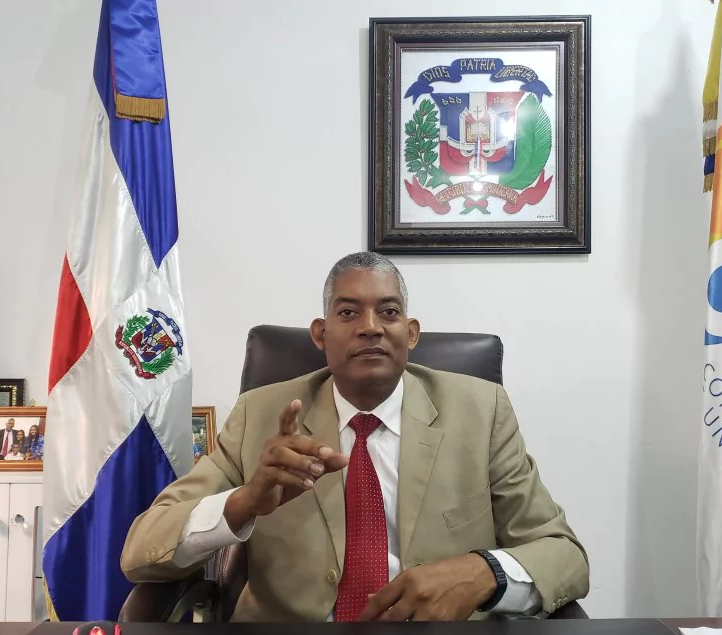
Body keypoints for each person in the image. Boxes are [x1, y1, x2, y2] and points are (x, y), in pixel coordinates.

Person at [122, 252, 589, 622]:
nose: (370, 327)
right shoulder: (259, 415)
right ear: (320, 334)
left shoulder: (481, 412)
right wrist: (244, 502)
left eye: (388, 311)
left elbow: (564, 555)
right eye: (348, 312)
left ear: (411, 333)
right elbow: (140, 551)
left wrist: (484, 572)